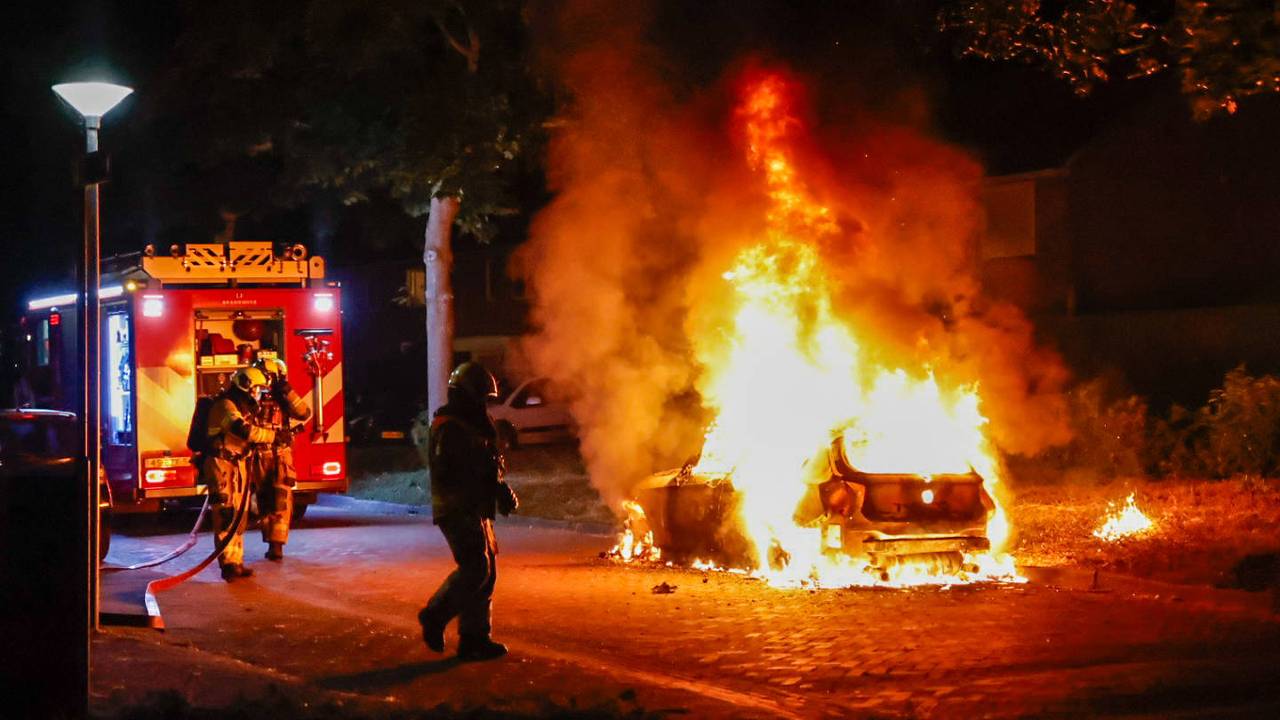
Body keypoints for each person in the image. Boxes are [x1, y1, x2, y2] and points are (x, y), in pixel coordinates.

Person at [418, 361, 519, 661]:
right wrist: (491, 485)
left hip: (475, 507)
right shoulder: (449, 427)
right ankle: (435, 616)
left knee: (487, 573)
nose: (484, 404)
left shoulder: (471, 424)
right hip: (456, 507)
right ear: (467, 394)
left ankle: (474, 639)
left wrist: (498, 489)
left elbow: (486, 465)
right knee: (476, 568)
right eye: (482, 397)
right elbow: (458, 470)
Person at [202, 366, 276, 581]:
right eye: (257, 389)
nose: (259, 394)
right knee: (226, 513)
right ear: (245, 385)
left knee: (239, 514)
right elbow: (242, 430)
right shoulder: (225, 405)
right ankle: (228, 565)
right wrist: (273, 437)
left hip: (237, 463)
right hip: (222, 464)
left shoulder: (243, 406)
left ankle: (236, 561)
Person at [250, 357, 312, 561]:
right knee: (265, 501)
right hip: (259, 455)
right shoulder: (252, 395)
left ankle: (277, 545)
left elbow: (304, 413)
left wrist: (286, 392)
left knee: (281, 499)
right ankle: (271, 542)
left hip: (280, 455)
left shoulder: (284, 396)